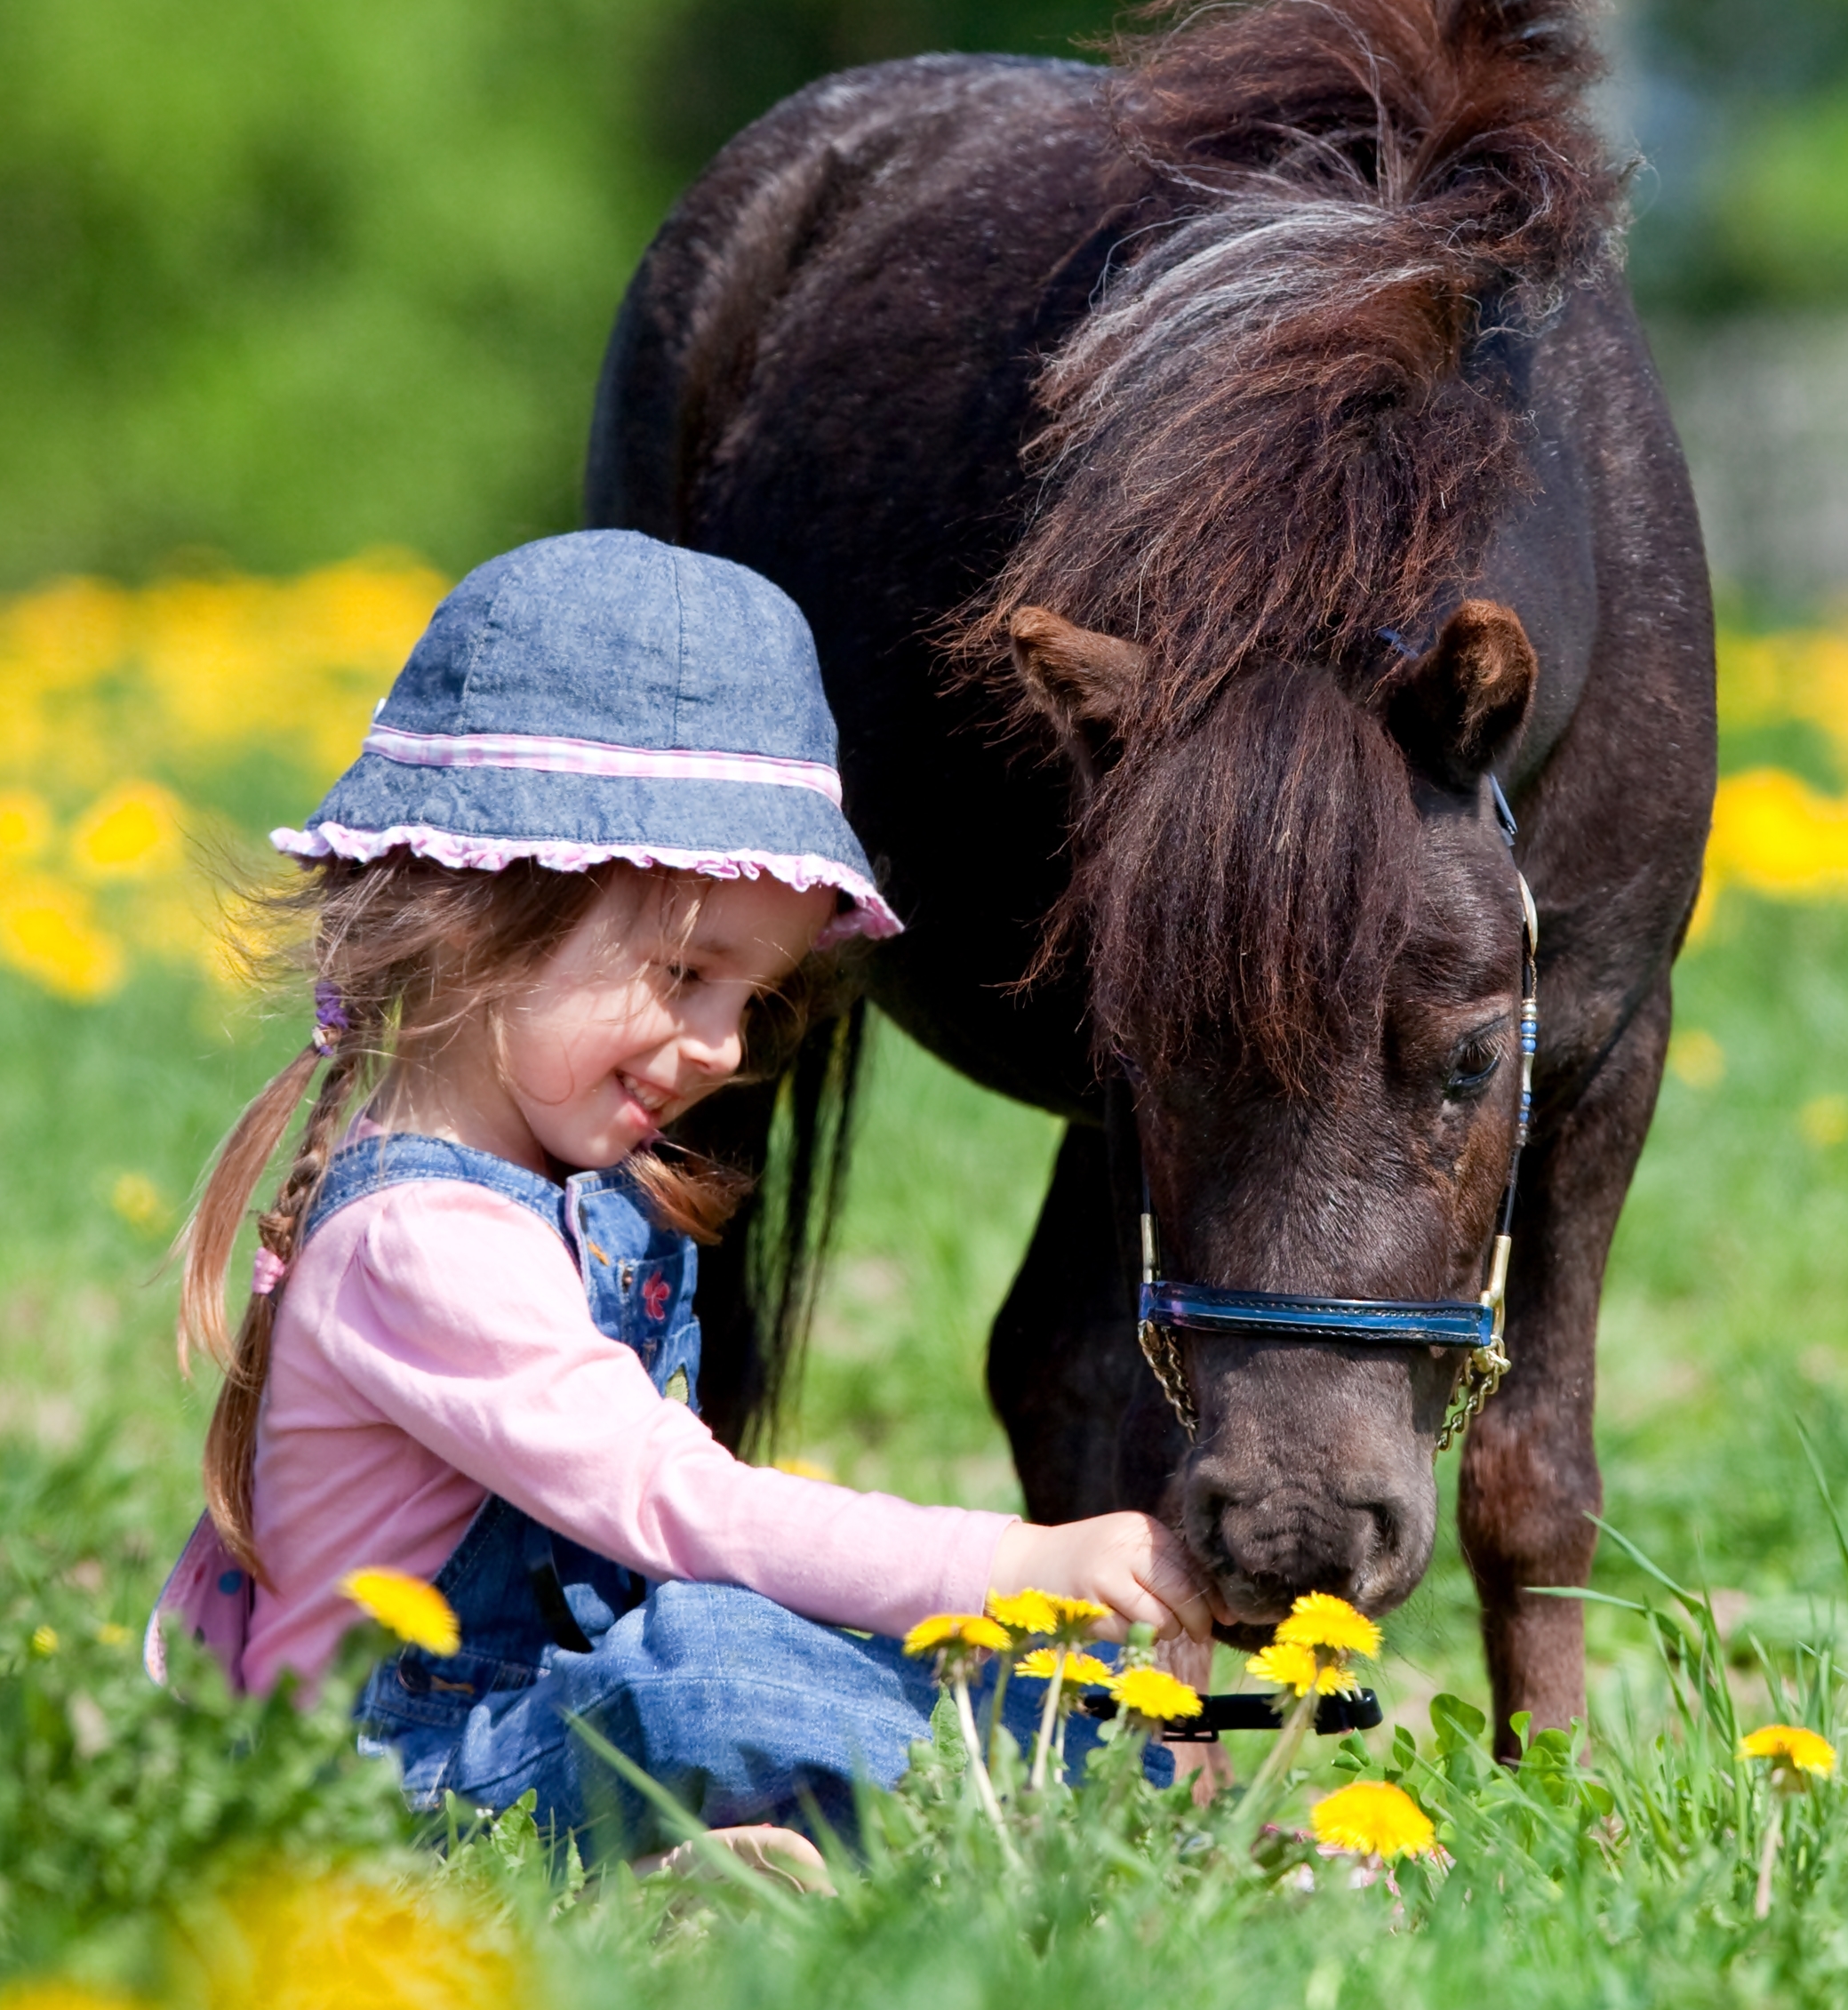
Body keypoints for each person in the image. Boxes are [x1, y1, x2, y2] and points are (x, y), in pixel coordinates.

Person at [146, 530, 1205, 1866]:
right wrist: (1008, 1565)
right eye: (685, 974)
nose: (720, 1046)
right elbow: (677, 1503)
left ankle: (1089, 1782)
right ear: (486, 909)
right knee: (709, 1672)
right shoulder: (417, 1243)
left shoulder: (579, 1192)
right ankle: (1110, 1805)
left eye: (748, 998)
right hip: (384, 1791)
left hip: (530, 1722)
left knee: (756, 1650)